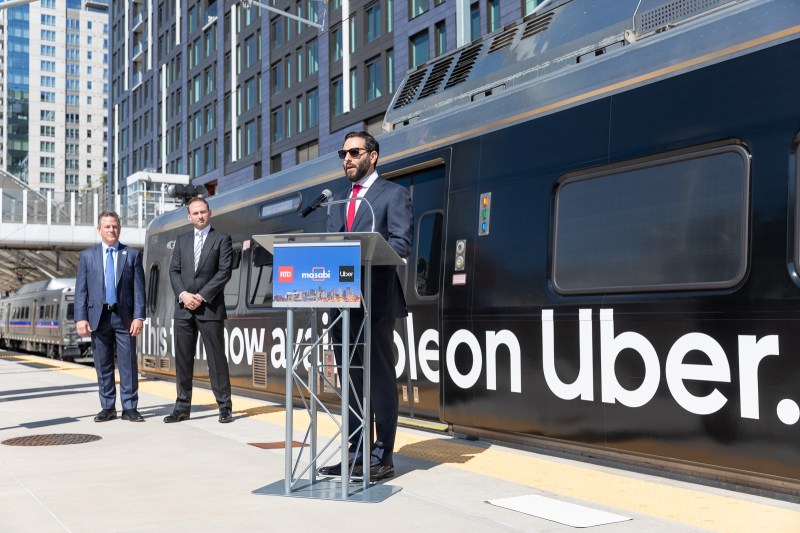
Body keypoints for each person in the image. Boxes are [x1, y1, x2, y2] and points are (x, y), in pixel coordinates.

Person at [321, 131, 413, 480]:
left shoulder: (393, 194)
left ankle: (382, 457)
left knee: (379, 380)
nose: (347, 158)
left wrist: (361, 251)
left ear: (372, 156)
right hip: (340, 302)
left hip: (376, 300)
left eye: (354, 152)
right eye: (343, 153)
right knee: (352, 381)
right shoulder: (337, 201)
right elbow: (330, 245)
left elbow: (401, 244)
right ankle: (356, 454)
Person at [166, 196, 234, 423]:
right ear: (189, 217)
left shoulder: (222, 239)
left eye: (203, 212)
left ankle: (224, 407)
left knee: (216, 359)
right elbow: (174, 271)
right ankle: (182, 407)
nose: (200, 216)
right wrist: (183, 295)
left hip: (210, 308)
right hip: (183, 309)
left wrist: (202, 296)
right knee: (183, 360)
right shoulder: (181, 240)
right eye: (195, 213)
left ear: (210, 213)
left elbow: (224, 272)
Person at [75, 211, 146, 422]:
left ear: (120, 229)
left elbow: (139, 289)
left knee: (128, 364)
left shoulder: (131, 255)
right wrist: (81, 318)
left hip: (125, 318)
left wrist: (139, 317)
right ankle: (107, 408)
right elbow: (81, 290)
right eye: (107, 226)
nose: (111, 230)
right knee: (103, 364)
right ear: (99, 230)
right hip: (98, 318)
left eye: (114, 226)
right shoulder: (87, 256)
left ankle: (130, 407)